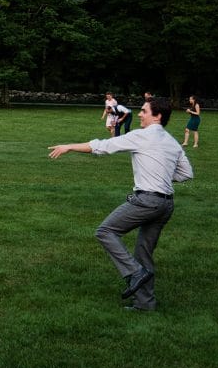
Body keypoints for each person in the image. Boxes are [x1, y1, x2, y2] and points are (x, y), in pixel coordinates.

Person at [48, 97, 193, 312]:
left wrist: (69, 146)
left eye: (144, 111)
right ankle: (145, 305)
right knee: (144, 253)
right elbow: (186, 174)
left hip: (147, 201)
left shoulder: (142, 136)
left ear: (157, 116)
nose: (140, 114)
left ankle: (135, 273)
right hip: (166, 205)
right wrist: (160, 176)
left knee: (105, 231)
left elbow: (103, 146)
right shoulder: (172, 142)